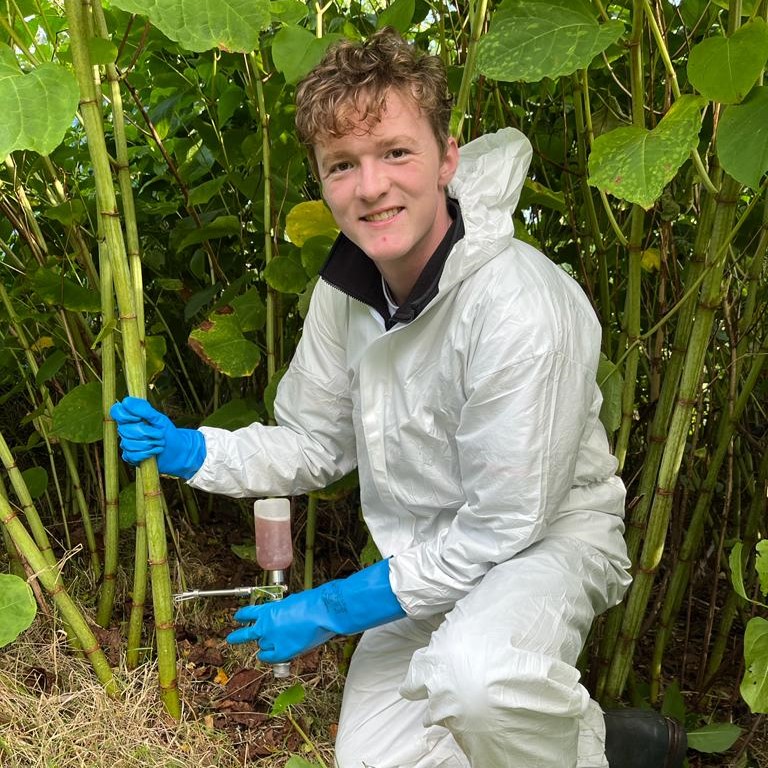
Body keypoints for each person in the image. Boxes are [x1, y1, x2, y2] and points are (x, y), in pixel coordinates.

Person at [111, 29, 686, 768]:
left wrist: (328, 608)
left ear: (448, 157)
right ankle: (607, 742)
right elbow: (316, 439)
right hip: (418, 563)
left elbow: (502, 527)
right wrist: (195, 449)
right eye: (342, 165)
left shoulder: (520, 304)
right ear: (321, 180)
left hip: (543, 545)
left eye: (395, 153)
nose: (371, 186)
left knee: (478, 683)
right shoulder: (347, 288)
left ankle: (554, 729)